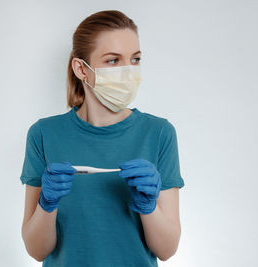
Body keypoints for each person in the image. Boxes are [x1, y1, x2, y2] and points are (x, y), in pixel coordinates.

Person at [20, 10, 185, 267]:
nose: (127, 71)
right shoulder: (44, 134)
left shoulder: (159, 133)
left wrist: (149, 207)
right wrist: (46, 204)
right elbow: (37, 250)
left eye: (135, 59)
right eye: (112, 61)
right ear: (81, 69)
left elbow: (167, 250)